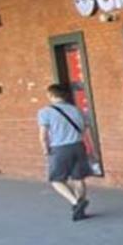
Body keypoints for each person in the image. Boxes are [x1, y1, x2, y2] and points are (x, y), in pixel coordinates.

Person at [38, 83, 92, 221]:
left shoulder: (45, 112)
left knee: (56, 180)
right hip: (78, 146)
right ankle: (80, 211)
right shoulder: (76, 110)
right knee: (78, 178)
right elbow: (85, 130)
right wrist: (91, 147)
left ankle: (76, 202)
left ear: (50, 95)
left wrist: (45, 149)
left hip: (60, 148)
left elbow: (43, 135)